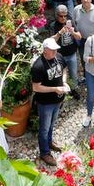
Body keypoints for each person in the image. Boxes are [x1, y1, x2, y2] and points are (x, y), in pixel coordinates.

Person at [30, 37, 70, 167]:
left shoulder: (58, 56)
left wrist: (64, 82)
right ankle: (44, 152)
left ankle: (49, 142)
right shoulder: (38, 66)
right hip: (45, 103)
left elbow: (64, 69)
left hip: (58, 100)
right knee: (44, 128)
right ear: (45, 50)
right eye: (52, 50)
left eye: (55, 50)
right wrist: (55, 89)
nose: (55, 52)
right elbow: (35, 87)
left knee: (52, 124)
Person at [47, 3, 81, 92]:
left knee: (73, 74)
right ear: (56, 15)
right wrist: (59, 33)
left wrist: (73, 32)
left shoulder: (71, 23)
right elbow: (50, 41)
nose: (63, 18)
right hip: (59, 56)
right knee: (60, 75)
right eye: (61, 16)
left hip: (71, 54)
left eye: (65, 16)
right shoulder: (53, 25)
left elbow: (79, 37)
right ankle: (61, 91)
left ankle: (74, 89)